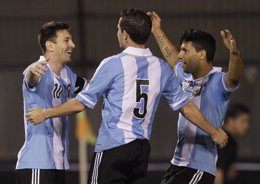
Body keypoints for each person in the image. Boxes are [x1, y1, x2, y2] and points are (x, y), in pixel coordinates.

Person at [26, 9, 227, 184]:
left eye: (117, 29)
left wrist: (45, 113)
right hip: (141, 152)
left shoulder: (113, 64)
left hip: (113, 148)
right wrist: (213, 131)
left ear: (124, 34)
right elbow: (187, 107)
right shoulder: (161, 68)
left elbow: (80, 104)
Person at [148, 12, 244, 184]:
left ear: (201, 54)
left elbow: (235, 77)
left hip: (199, 167)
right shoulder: (185, 77)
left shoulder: (218, 81)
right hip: (177, 164)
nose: (180, 55)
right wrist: (156, 30)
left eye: (185, 50)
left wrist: (234, 54)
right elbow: (171, 55)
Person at [15, 21, 87, 184]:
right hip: (37, 164)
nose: (73, 45)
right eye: (66, 40)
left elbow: (93, 87)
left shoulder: (68, 75)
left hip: (58, 164)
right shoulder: (37, 69)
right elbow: (30, 79)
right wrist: (31, 73)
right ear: (50, 45)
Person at [215, 103, 250, 184]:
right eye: (243, 121)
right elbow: (218, 172)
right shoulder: (226, 141)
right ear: (231, 121)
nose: (246, 125)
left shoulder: (223, 138)